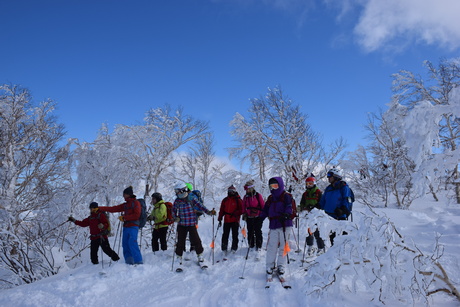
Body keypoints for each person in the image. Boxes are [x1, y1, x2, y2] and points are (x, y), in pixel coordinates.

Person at [173, 182, 216, 264]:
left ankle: (200, 255)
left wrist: (209, 212)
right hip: (182, 224)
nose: (176, 193)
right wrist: (175, 217)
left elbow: (201, 206)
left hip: (191, 223)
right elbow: (173, 210)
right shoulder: (177, 200)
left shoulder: (191, 198)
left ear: (182, 190)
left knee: (196, 240)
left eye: (177, 191)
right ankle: (179, 256)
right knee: (180, 241)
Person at [99, 186, 143, 265]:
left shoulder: (136, 203)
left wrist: (124, 217)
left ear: (128, 194)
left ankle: (138, 261)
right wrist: (100, 208)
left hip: (133, 226)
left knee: (132, 242)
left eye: (124, 194)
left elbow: (137, 215)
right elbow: (113, 209)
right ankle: (129, 261)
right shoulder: (126, 204)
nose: (123, 196)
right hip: (126, 226)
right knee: (125, 244)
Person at [260, 177, 293, 277]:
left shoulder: (286, 196)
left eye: (275, 185)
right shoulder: (270, 198)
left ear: (280, 185)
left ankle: (281, 266)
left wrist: (287, 214)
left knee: (283, 247)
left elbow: (289, 207)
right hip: (274, 224)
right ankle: (269, 265)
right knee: (271, 246)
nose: (273, 188)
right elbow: (265, 210)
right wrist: (259, 219)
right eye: (271, 186)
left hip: (284, 224)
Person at [319, 168, 353, 246]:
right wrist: (318, 207)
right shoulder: (328, 188)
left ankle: (344, 255)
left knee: (342, 238)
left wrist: (342, 210)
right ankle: (334, 256)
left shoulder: (343, 187)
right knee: (332, 238)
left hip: (340, 216)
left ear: (336, 176)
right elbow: (323, 200)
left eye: (330, 176)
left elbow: (347, 199)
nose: (328, 178)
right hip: (330, 217)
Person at [299, 176, 325, 256]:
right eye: (307, 184)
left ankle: (321, 248)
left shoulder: (318, 192)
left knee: (317, 232)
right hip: (308, 215)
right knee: (309, 232)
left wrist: (315, 207)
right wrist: (302, 208)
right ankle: (310, 246)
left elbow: (322, 203)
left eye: (311, 183)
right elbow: (302, 203)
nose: (309, 185)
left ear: (314, 183)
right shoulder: (305, 194)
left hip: (316, 215)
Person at [242, 179, 265, 256]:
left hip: (258, 216)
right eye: (246, 189)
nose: (246, 190)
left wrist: (262, 216)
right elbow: (243, 206)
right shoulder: (245, 197)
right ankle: (251, 245)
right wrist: (244, 214)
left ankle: (259, 246)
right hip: (249, 217)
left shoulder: (258, 196)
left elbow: (263, 206)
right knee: (250, 231)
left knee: (258, 231)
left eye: (247, 188)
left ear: (251, 188)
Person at [218, 185, 243, 255]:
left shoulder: (238, 200)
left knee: (235, 235)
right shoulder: (225, 200)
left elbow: (242, 210)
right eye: (229, 191)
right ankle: (224, 248)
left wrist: (236, 213)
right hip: (227, 219)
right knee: (225, 235)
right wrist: (220, 218)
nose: (230, 192)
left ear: (235, 191)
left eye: (232, 191)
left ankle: (234, 248)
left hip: (235, 219)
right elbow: (222, 209)